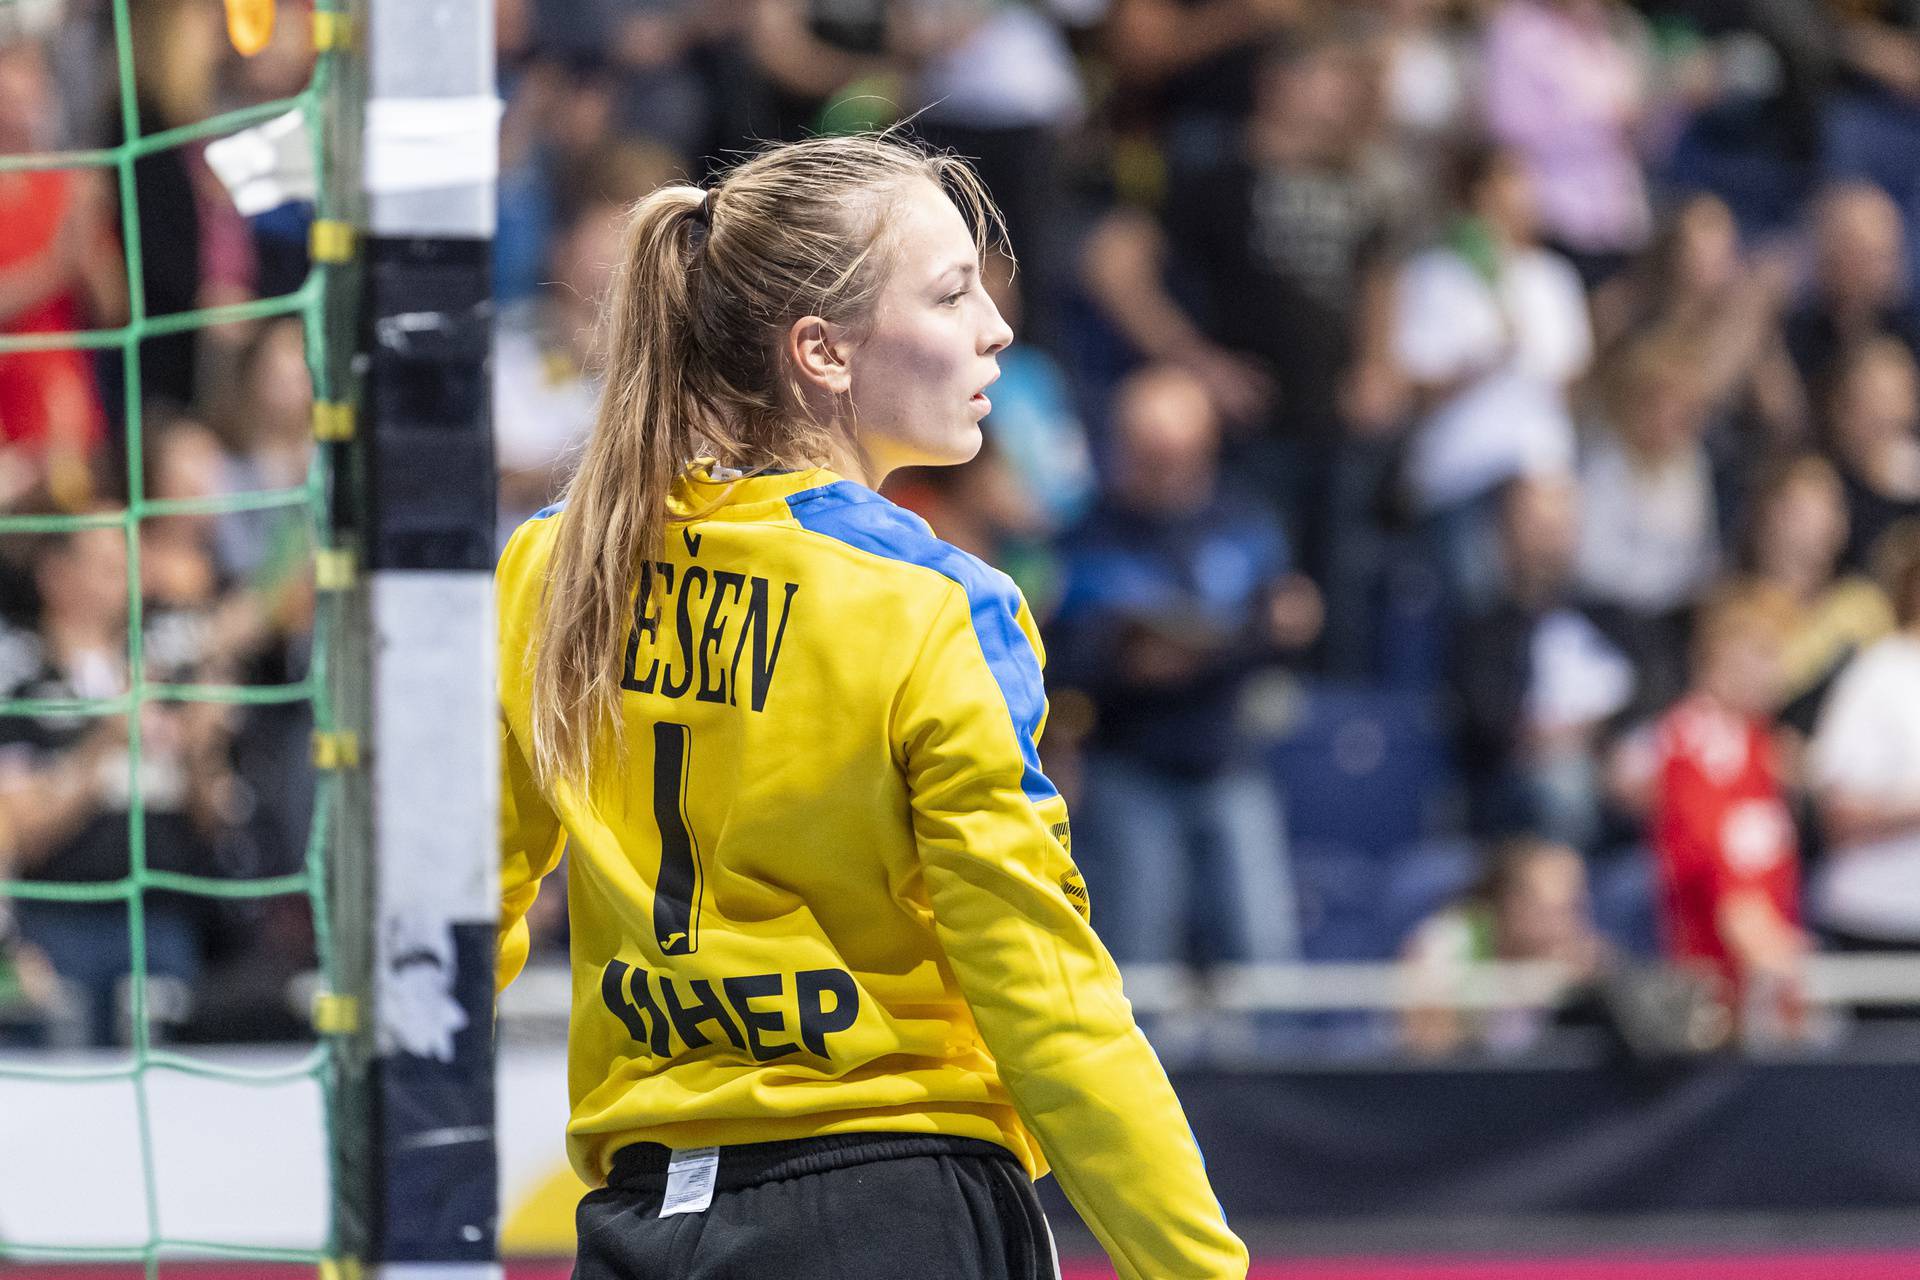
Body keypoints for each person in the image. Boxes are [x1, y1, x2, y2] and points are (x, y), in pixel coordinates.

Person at [494, 133, 1247, 1280]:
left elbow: (456, 924)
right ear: (823, 351)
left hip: (641, 1218)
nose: (995, 327)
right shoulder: (938, 604)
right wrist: (1200, 1267)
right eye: (951, 293)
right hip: (895, 1203)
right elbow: (1047, 994)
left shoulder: (557, 565)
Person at [1048, 364, 1315, 972]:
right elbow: (1058, 656)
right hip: (1130, 766)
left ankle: (1275, 1072)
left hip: (1228, 761)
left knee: (1265, 954)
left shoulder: (1243, 524)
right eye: (1148, 453)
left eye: (1178, 454)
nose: (1164, 469)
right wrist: (1124, 662)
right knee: (1139, 959)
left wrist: (1213, 650)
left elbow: (1285, 622)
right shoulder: (1086, 538)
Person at [1651, 581, 1809, 1042]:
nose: (1775, 671)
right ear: (1718, 657)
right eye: (1761, 654)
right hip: (1719, 995)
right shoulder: (1699, 744)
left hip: (1765, 982)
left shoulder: (1761, 746)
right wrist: (1790, 989)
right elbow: (1735, 902)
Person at [1400, 836, 1607, 1058]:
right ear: (1511, 905)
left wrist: (1593, 989)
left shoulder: (1587, 962)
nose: (1565, 926)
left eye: (1575, 908)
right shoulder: (1449, 942)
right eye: (1552, 911)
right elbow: (1428, 1049)